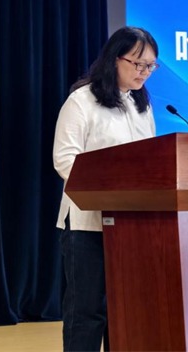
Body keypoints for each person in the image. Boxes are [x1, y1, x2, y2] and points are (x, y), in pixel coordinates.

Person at [52, 26, 159, 352]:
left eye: (150, 66)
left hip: (131, 225)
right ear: (114, 59)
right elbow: (65, 160)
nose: (144, 72)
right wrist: (108, 190)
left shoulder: (141, 105)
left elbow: (151, 160)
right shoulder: (82, 101)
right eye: (138, 64)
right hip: (87, 225)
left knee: (124, 312)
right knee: (86, 313)